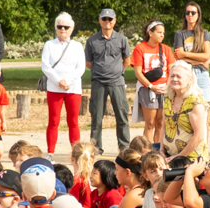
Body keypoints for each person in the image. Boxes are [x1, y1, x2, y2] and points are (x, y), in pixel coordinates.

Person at [84, 8, 131, 154]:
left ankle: (124, 148)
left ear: (115, 21)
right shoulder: (92, 40)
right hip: (98, 82)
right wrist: (100, 71)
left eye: (110, 19)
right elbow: (88, 62)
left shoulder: (122, 39)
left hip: (116, 82)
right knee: (96, 117)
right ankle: (96, 148)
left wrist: (117, 72)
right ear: (99, 20)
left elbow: (126, 60)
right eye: (104, 19)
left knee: (122, 116)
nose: (107, 22)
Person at [40, 12, 85, 155]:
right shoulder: (49, 44)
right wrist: (59, 81)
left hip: (73, 88)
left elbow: (81, 68)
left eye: (66, 27)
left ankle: (75, 153)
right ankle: (51, 152)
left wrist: (68, 82)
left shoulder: (77, 46)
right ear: (56, 28)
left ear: (71, 29)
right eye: (60, 26)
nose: (63, 29)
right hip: (54, 88)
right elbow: (45, 66)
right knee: (53, 121)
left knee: (73, 122)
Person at [129, 20, 174, 150]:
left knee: (160, 123)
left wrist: (167, 86)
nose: (162, 35)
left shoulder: (166, 49)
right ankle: (148, 151)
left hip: (164, 90)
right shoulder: (140, 48)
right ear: (150, 33)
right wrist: (151, 86)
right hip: (148, 90)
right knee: (150, 124)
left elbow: (171, 70)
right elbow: (138, 72)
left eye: (163, 33)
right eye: (159, 32)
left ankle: (159, 150)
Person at [173, 2, 210, 107]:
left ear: (198, 15)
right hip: (186, 73)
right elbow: (179, 57)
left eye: (193, 12)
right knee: (186, 108)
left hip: (202, 74)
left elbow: (206, 56)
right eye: (187, 12)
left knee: (203, 110)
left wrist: (185, 55)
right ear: (185, 15)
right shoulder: (180, 34)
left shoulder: (204, 34)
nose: (190, 15)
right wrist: (200, 60)